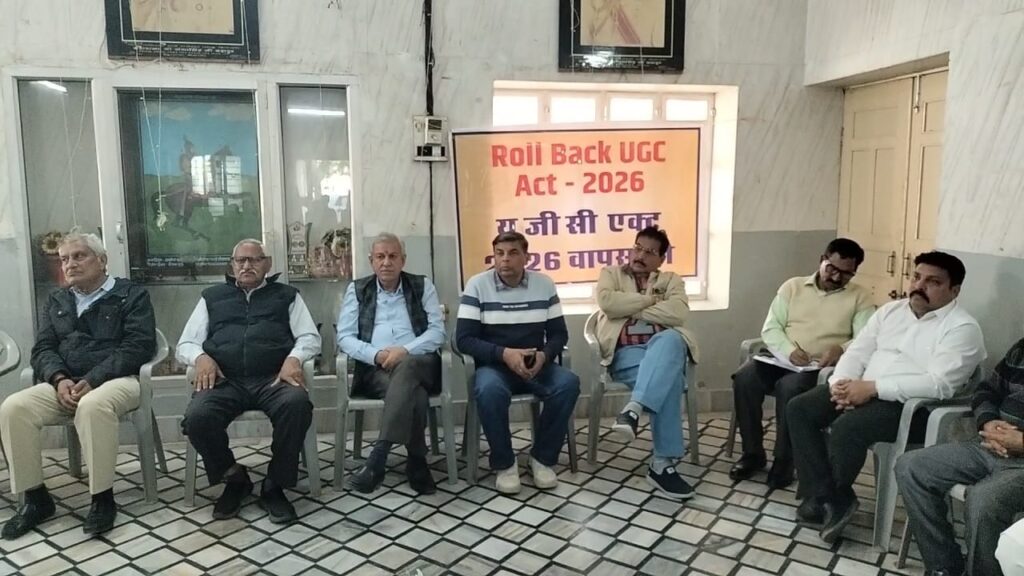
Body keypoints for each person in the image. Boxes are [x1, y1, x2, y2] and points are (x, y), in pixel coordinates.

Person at [787, 251, 986, 544]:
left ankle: (825, 498)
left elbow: (940, 385)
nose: (919, 286)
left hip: (914, 409)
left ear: (954, 290)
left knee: (847, 427)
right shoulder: (891, 311)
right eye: (916, 277)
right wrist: (841, 385)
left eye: (932, 282)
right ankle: (831, 497)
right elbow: (857, 352)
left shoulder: (962, 328)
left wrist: (873, 388)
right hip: (863, 389)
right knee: (799, 408)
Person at [0, 232, 156, 538]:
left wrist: (93, 379)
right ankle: (36, 498)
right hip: (67, 382)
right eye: (64, 259)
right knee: (14, 407)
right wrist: (59, 379)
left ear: (102, 260)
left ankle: (102, 499)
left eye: (79, 256)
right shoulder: (57, 299)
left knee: (93, 406)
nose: (70, 264)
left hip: (117, 380)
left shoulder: (131, 294)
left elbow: (138, 346)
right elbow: (43, 349)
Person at [177, 239, 321, 524]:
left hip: (273, 378)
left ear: (267, 264)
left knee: (297, 405)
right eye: (240, 261)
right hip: (225, 380)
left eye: (254, 260)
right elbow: (186, 343)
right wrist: (201, 358)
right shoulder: (212, 297)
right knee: (197, 417)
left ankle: (275, 484)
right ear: (232, 266)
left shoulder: (287, 295)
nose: (246, 266)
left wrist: (294, 359)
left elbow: (309, 337)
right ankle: (234, 477)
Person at [730, 238, 874, 488]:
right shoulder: (793, 286)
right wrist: (788, 350)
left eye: (845, 274)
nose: (836, 277)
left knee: (790, 388)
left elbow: (866, 338)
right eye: (832, 268)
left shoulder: (861, 297)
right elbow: (771, 328)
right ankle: (752, 453)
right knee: (744, 379)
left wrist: (841, 349)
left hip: (819, 367)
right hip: (782, 358)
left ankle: (785, 460)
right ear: (822, 260)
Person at [456, 231, 580, 494]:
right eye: (499, 253)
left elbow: (559, 334)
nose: (505, 259)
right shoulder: (477, 285)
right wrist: (505, 354)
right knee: (488, 390)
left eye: (513, 253)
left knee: (568, 383)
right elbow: (464, 340)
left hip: (536, 365)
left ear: (526, 257)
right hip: (495, 367)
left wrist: (544, 356)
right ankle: (505, 464)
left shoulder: (544, 284)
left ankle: (542, 459)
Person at [896, 336, 1024, 576]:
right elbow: (987, 389)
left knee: (984, 500)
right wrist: (988, 421)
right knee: (911, 467)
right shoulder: (1021, 349)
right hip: (990, 445)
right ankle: (944, 567)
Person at [594, 225, 700, 499]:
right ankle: (661, 465)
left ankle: (633, 409)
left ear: (661, 259)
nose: (640, 255)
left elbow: (677, 313)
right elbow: (608, 303)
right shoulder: (611, 274)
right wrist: (651, 301)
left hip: (661, 349)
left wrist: (630, 307)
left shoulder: (672, 279)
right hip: (626, 354)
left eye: (650, 252)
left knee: (672, 339)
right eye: (638, 248)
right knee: (670, 379)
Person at [338, 233, 445, 494]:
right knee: (415, 394)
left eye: (393, 256)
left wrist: (404, 351)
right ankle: (417, 462)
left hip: (421, 363)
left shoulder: (422, 286)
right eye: (380, 256)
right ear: (371, 261)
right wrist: (376, 355)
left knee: (408, 366)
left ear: (403, 260)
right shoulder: (357, 289)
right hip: (377, 369)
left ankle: (379, 457)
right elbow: (345, 337)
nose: (386, 262)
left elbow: (437, 332)